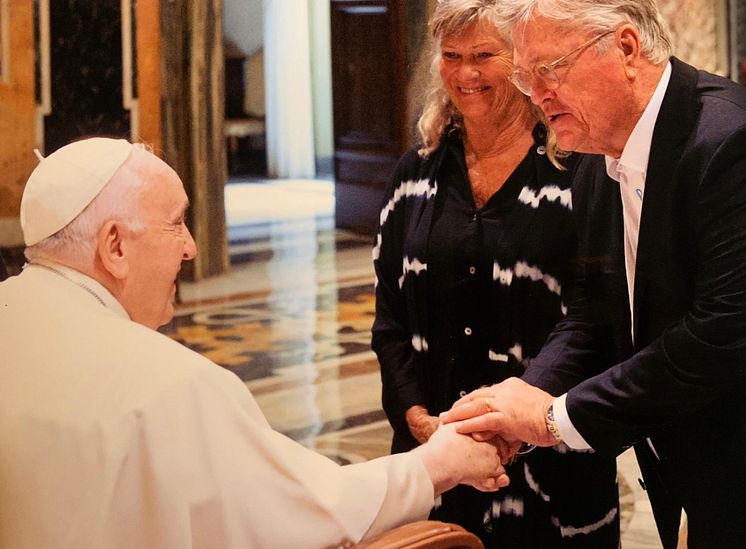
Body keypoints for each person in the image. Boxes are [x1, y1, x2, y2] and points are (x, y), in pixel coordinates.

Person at [0, 137, 510, 549]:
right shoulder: (171, 384)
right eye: (176, 222)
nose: (191, 247)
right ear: (114, 245)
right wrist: (439, 464)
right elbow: (305, 512)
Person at [440, 1, 746, 548]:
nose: (535, 95)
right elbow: (594, 315)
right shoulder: (592, 157)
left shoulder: (728, 142)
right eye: (524, 76)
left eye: (549, 70)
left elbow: (722, 333)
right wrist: (520, 400)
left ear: (626, 49)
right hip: (691, 455)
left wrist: (556, 417)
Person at [371, 1, 619, 546]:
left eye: (484, 55)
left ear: (526, 63)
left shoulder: (582, 170)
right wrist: (417, 417)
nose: (466, 74)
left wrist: (515, 420)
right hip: (432, 460)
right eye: (451, 56)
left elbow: (597, 315)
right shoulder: (416, 173)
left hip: (551, 461)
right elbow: (389, 317)